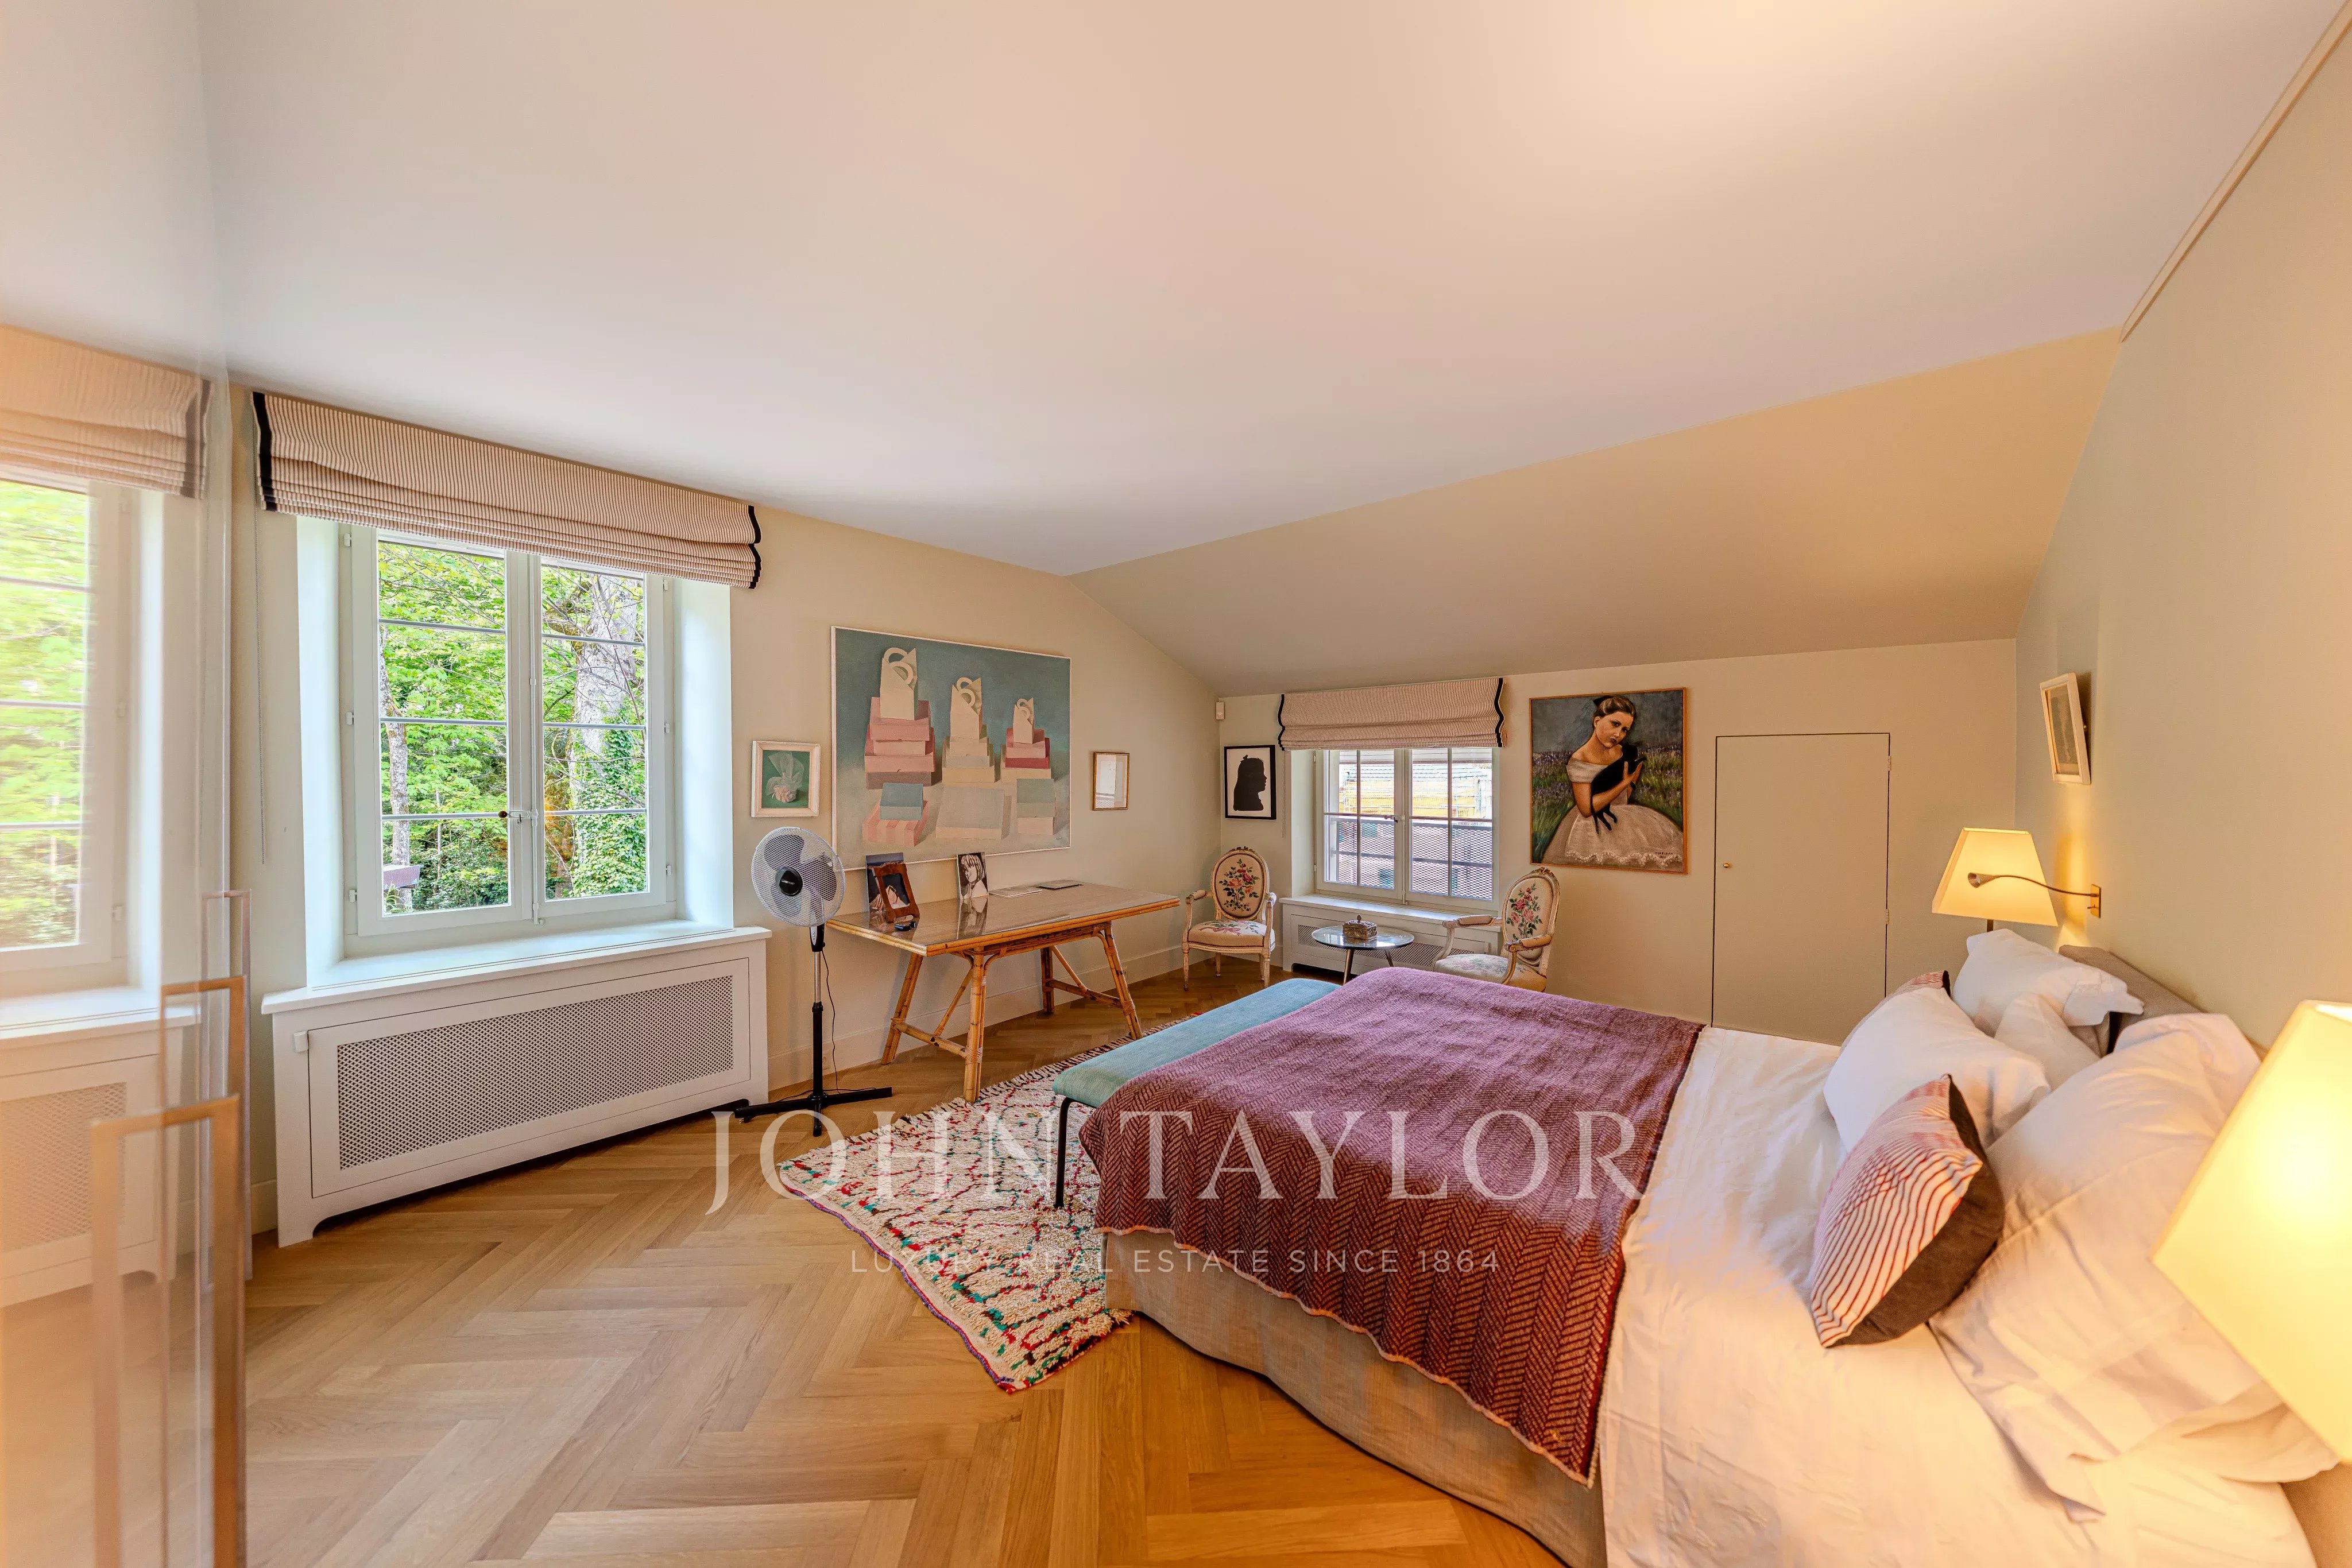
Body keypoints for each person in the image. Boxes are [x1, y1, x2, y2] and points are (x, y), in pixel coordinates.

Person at [1542, 695, 1682, 869]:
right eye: (1615, 724)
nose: (1619, 734)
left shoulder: (1623, 752)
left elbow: (1624, 798)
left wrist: (1631, 782)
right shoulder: (1580, 759)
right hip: (1590, 826)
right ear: (1597, 721)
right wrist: (1624, 783)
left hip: (1625, 820)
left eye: (1625, 730)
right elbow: (1586, 810)